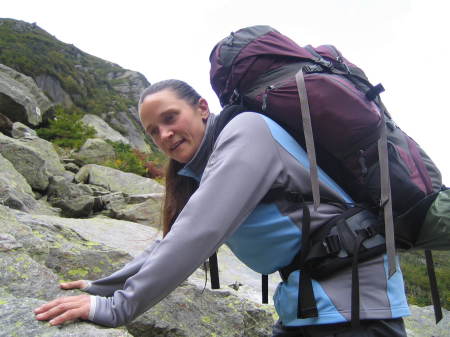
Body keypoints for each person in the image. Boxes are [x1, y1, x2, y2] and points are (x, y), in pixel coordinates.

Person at [34, 79, 410, 336]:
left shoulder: (247, 133)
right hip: (313, 305)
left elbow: (199, 233)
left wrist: (117, 309)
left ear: (201, 107)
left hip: (357, 309)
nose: (164, 135)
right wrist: (102, 289)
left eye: (170, 118)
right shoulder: (204, 168)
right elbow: (170, 241)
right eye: (152, 131)